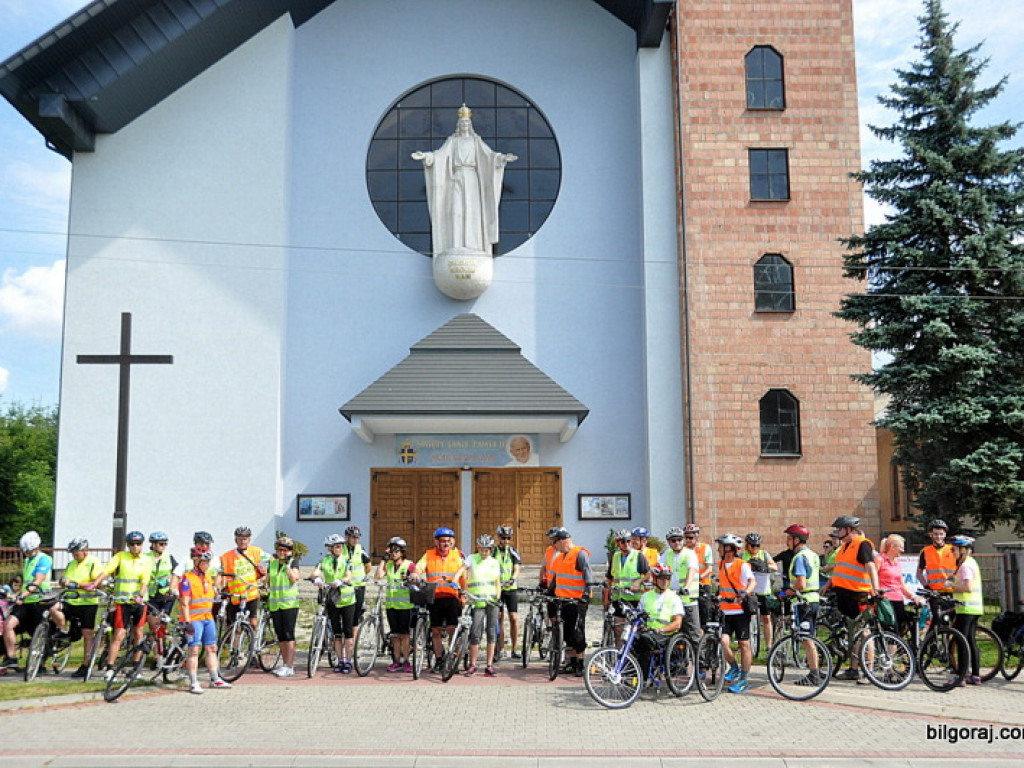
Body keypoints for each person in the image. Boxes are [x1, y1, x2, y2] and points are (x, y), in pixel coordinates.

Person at [411, 104, 517, 256]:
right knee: (456, 209)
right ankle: (456, 244)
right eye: (462, 123)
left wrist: (501, 159)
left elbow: (489, 156)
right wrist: (427, 157)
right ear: (458, 125)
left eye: (467, 123)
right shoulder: (452, 141)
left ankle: (473, 245)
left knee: (472, 211)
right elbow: (440, 155)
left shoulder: (476, 141)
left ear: (470, 124)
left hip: (471, 177)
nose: (464, 125)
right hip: (457, 177)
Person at [87, 530, 151, 681]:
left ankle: (136, 667)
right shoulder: (121, 557)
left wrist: (140, 595)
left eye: (138, 544)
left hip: (139, 602)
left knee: (138, 634)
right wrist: (95, 583)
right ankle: (110, 668)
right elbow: (107, 570)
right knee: (119, 635)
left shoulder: (146, 560)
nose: (135, 547)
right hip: (123, 602)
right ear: (128, 545)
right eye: (132, 544)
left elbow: (145, 579)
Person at [823, 515, 880, 682]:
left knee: (865, 632)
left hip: (858, 595)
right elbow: (842, 569)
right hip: (845, 595)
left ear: (849, 529)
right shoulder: (844, 547)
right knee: (853, 633)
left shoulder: (862, 544)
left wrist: (875, 589)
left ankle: (869, 670)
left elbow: (870, 566)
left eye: (840, 529)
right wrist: (829, 584)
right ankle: (853, 669)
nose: (838, 532)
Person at [3, 531, 66, 668]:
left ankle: (40, 664)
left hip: (40, 600)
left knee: (37, 634)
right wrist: (16, 595)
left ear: (37, 547)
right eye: (25, 552)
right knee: (8, 624)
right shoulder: (28, 560)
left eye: (29, 551)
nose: (27, 554)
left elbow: (37, 580)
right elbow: (26, 583)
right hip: (26, 601)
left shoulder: (44, 559)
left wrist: (22, 595)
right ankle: (11, 657)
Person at [311, 531, 368, 674]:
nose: (339, 548)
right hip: (332, 599)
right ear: (330, 548)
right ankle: (340, 660)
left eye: (340, 546)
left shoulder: (346, 560)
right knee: (337, 632)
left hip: (347, 599)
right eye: (336, 546)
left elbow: (349, 576)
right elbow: (315, 571)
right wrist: (316, 578)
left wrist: (341, 580)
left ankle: (348, 661)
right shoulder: (325, 560)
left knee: (348, 631)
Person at [178, 546, 232, 693]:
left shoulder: (207, 576)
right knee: (194, 650)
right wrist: (187, 622)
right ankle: (194, 682)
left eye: (208, 562)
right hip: (194, 619)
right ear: (196, 562)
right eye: (204, 562)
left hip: (208, 617)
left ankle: (215, 678)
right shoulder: (187, 579)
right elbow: (184, 602)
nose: (207, 565)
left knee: (211, 648)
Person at [416, 527, 467, 672]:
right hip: (435, 597)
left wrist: (463, 595)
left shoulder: (458, 555)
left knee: (452, 629)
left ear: (452, 542)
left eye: (448, 541)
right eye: (442, 541)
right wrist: (415, 573)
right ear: (436, 542)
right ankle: (439, 660)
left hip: (452, 597)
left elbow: (463, 577)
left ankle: (452, 658)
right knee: (436, 630)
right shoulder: (429, 555)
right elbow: (419, 567)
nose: (445, 544)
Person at [782, 524, 824, 687]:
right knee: (810, 637)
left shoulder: (799, 557)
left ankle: (814, 674)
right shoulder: (812, 554)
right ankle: (816, 671)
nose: (786, 541)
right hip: (813, 599)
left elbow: (801, 583)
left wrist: (786, 593)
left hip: (803, 601)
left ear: (796, 540)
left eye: (789, 538)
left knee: (807, 639)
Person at [549, 528, 593, 676]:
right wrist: (549, 592)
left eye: (554, 542)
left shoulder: (579, 554)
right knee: (567, 633)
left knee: (577, 632)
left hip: (577, 600)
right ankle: (572, 663)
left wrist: (586, 594)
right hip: (563, 600)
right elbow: (556, 578)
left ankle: (580, 664)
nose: (553, 545)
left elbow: (588, 575)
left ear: (562, 541)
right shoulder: (560, 557)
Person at [716, 533, 756, 693]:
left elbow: (752, 581)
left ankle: (744, 679)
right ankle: (733, 667)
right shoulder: (720, 565)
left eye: (720, 546)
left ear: (729, 549)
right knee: (723, 641)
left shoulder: (742, 565)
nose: (718, 549)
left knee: (744, 644)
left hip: (740, 611)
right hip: (725, 611)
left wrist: (746, 592)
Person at [633, 564, 684, 680]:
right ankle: (631, 672)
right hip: (649, 632)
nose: (665, 581)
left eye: (667, 578)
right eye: (662, 578)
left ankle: (642, 677)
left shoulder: (674, 598)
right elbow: (639, 617)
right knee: (631, 638)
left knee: (644, 640)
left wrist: (660, 629)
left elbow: (677, 623)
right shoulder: (646, 596)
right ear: (655, 579)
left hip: (665, 635)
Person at [61, 538, 104, 678]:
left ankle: (86, 664)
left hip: (87, 603)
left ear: (85, 550)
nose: (74, 555)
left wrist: (77, 584)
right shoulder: (71, 564)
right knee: (53, 610)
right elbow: (65, 580)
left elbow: (97, 584)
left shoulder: (94, 562)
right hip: (70, 601)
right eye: (72, 553)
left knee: (87, 633)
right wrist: (63, 582)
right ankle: (63, 632)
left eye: (76, 552)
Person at [373, 537, 417, 672]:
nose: (393, 553)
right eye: (391, 550)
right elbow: (378, 576)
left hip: (405, 606)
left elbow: (416, 575)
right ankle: (396, 661)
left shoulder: (409, 564)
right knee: (394, 635)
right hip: (391, 605)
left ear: (402, 551)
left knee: (405, 635)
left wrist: (411, 578)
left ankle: (406, 660)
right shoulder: (389, 565)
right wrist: (383, 559)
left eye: (396, 550)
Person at [945, 535, 984, 685]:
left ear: (963, 550)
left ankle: (960, 677)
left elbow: (967, 588)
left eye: (954, 549)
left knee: (960, 641)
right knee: (970, 641)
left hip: (966, 608)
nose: (952, 552)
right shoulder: (971, 562)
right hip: (975, 608)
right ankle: (975, 675)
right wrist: (954, 580)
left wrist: (951, 585)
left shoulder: (965, 565)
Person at [464, 535, 502, 677]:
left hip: (491, 601)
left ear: (491, 550)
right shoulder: (472, 558)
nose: (483, 552)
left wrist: (497, 598)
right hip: (477, 601)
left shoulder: (494, 562)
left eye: (486, 550)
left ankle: (489, 665)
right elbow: (464, 570)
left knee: (491, 632)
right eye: (481, 549)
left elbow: (497, 582)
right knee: (475, 632)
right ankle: (473, 664)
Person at [604, 528, 648, 646]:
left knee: (635, 631)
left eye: (629, 541)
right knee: (618, 630)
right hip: (618, 598)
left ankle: (635, 655)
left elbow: (649, 574)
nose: (627, 544)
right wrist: (607, 596)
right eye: (623, 542)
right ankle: (619, 656)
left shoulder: (638, 556)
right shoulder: (615, 557)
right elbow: (610, 578)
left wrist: (639, 582)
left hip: (634, 599)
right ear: (618, 543)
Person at [220, 526, 266, 635]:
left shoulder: (257, 552)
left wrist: (266, 578)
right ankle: (235, 650)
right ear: (235, 540)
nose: (242, 541)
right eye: (240, 539)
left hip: (251, 593)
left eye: (245, 539)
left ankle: (253, 645)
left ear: (249, 540)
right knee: (234, 626)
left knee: (253, 622)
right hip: (235, 595)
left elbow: (271, 561)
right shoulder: (226, 556)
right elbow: (221, 575)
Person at [267, 536, 302, 677]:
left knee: (289, 635)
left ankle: (290, 665)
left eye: (285, 550)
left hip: (289, 605)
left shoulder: (294, 563)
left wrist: (287, 566)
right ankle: (284, 664)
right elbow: (268, 581)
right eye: (279, 549)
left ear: (290, 552)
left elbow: (294, 578)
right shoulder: (273, 564)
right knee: (280, 636)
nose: (282, 552)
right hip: (275, 604)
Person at [660, 526, 700, 647]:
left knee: (693, 635)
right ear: (669, 542)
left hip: (688, 600)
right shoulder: (667, 554)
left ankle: (701, 664)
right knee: (672, 634)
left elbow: (691, 570)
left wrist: (686, 586)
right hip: (672, 600)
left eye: (679, 539)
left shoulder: (689, 554)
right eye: (673, 540)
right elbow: (658, 569)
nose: (677, 542)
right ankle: (679, 663)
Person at [876, 534, 920, 636]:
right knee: (892, 631)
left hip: (898, 599)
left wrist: (913, 597)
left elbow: (901, 585)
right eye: (901, 547)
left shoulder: (897, 563)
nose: (903, 550)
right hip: (886, 600)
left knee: (900, 631)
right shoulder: (880, 560)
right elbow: (872, 578)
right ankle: (889, 651)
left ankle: (896, 650)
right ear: (892, 547)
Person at [742, 532, 778, 653]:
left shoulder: (764, 554)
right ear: (747, 545)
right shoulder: (743, 556)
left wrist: (764, 565)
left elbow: (775, 567)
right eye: (752, 545)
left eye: (757, 545)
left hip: (764, 590)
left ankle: (769, 646)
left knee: (766, 618)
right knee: (747, 616)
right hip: (751, 591)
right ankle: (747, 642)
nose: (755, 548)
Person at [145, 531, 178, 649]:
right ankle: (156, 655)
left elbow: (176, 574)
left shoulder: (169, 558)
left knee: (162, 625)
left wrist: (172, 589)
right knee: (154, 625)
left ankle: (163, 649)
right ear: (153, 544)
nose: (163, 546)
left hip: (166, 597)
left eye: (165, 544)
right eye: (160, 544)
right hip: (151, 596)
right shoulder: (145, 557)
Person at [494, 525, 522, 659]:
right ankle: (501, 648)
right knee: (499, 618)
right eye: (503, 538)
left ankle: (515, 648)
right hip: (498, 589)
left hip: (510, 588)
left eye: (508, 538)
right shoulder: (493, 551)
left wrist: (512, 579)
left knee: (514, 618)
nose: (506, 541)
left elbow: (517, 568)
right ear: (498, 537)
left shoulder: (513, 551)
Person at [684, 523, 713, 626]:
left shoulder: (705, 548)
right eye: (686, 537)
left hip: (703, 585)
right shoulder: (684, 550)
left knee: (704, 612)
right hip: (689, 586)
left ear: (697, 537)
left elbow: (709, 568)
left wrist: (699, 577)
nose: (687, 540)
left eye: (690, 538)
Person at [917, 519, 956, 594]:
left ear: (945, 534)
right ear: (930, 534)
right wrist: (926, 587)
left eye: (941, 534)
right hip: (934, 592)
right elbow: (919, 573)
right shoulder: (925, 551)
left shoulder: (953, 549)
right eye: (936, 534)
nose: (938, 537)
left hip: (951, 591)